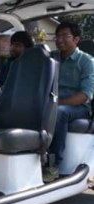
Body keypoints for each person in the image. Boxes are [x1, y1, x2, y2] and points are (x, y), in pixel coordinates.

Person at [45, 22, 94, 182]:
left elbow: (85, 95)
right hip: (53, 103)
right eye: (57, 36)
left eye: (64, 35)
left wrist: (56, 104)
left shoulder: (87, 61)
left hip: (79, 108)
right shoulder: (51, 58)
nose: (59, 39)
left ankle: (53, 164)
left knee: (58, 112)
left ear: (76, 39)